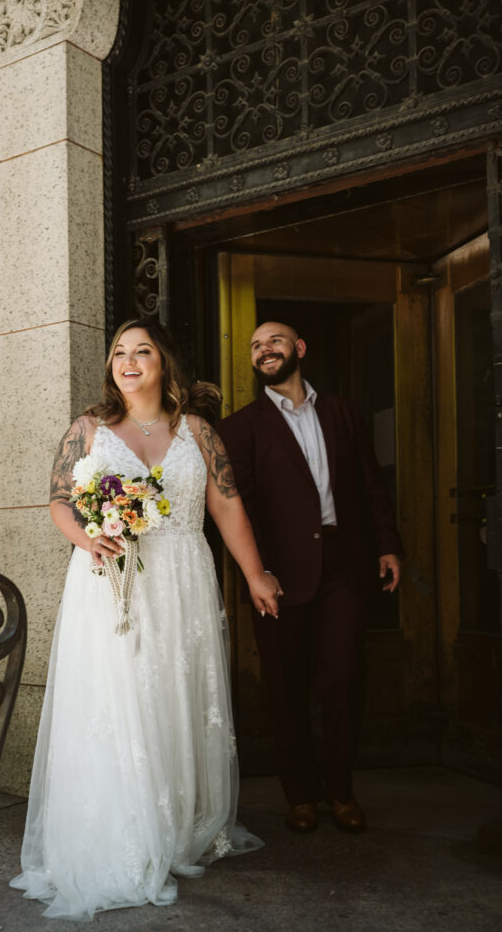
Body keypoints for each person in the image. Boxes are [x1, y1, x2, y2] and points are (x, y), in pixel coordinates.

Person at [11, 319, 280, 921]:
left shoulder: (199, 433)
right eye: (119, 353)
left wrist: (257, 572)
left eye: (142, 352)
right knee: (116, 700)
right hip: (108, 580)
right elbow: (58, 499)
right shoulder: (87, 429)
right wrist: (87, 538)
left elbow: (227, 505)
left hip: (181, 578)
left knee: (169, 698)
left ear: (165, 362)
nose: (128, 362)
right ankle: (119, 832)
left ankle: (174, 822)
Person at [218, 320, 403, 835]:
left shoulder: (342, 411)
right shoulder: (241, 426)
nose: (264, 349)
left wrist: (388, 544)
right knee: (286, 685)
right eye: (255, 345)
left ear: (298, 348)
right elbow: (242, 509)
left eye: (274, 341)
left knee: (343, 678)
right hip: (278, 572)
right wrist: (258, 573)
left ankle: (340, 791)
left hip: (345, 562)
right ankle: (300, 795)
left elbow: (370, 481)